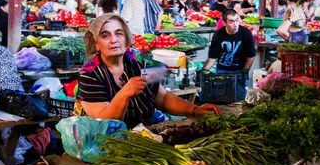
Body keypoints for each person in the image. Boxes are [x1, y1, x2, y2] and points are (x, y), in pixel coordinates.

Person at [76, 14, 220, 128]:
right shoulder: (89, 74)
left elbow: (162, 98)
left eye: (119, 33)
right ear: (96, 44)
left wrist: (194, 109)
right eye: (105, 35)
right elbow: (104, 123)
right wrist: (124, 94)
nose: (114, 40)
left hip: (140, 134)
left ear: (126, 40)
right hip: (103, 143)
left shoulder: (140, 63)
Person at [201, 8, 256, 73]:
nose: (235, 25)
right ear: (224, 23)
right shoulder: (218, 34)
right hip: (222, 70)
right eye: (231, 22)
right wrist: (203, 71)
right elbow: (213, 57)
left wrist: (244, 73)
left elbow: (250, 57)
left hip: (239, 70)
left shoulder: (246, 33)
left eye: (237, 20)